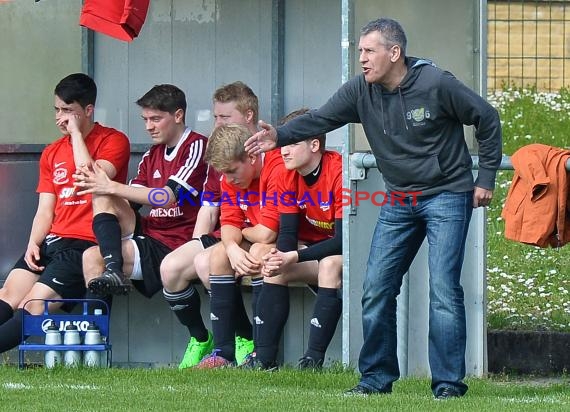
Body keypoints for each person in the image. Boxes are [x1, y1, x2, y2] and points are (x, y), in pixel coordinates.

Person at [245, 17, 502, 398]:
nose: (361, 59)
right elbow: (320, 119)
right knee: (376, 288)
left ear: (394, 53)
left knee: (443, 289)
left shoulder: (436, 84)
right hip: (399, 198)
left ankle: (448, 384)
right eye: (359, 51)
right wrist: (279, 135)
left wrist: (486, 179)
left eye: (369, 51)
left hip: (447, 194)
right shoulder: (359, 91)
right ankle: (376, 380)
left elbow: (487, 117)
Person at [74, 84, 211, 367]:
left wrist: (111, 185)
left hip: (181, 241)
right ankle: (91, 351)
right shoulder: (151, 154)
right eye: (145, 119)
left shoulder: (196, 145)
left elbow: (165, 197)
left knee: (105, 191)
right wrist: (106, 187)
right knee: (92, 250)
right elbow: (133, 201)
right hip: (149, 232)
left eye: (155, 119)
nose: (149, 126)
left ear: (178, 115)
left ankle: (201, 338)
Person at [0, 73, 130, 353]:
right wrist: (33, 242)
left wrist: (75, 135)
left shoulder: (113, 140)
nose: (61, 118)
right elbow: (45, 208)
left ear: (88, 110)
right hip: (53, 241)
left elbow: (91, 178)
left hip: (83, 243)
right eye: (57, 110)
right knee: (8, 294)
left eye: (68, 111)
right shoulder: (51, 152)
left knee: (33, 303)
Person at [160, 81, 260, 368]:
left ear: (248, 116)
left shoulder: (264, 153)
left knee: (207, 263)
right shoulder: (220, 152)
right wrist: (196, 242)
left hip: (256, 234)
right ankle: (202, 338)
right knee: (171, 268)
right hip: (227, 232)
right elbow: (210, 205)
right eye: (215, 117)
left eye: (224, 118)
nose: (217, 124)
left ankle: (244, 338)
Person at [243, 108, 343, 371]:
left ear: (314, 144)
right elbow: (286, 234)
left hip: (352, 250)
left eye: (291, 144)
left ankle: (313, 360)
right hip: (313, 250)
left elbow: (345, 240)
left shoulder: (338, 171)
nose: (284, 151)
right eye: (283, 144)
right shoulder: (287, 172)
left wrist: (293, 256)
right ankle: (263, 359)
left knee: (330, 264)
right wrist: (280, 259)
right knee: (273, 264)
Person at [196, 124, 283, 368]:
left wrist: (240, 235)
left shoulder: (275, 166)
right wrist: (232, 248)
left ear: (252, 157)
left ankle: (259, 351)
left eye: (233, 171)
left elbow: (268, 232)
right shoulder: (229, 180)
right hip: (260, 238)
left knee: (258, 252)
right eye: (224, 173)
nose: (229, 179)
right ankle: (223, 353)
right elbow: (229, 223)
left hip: (297, 240)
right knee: (220, 254)